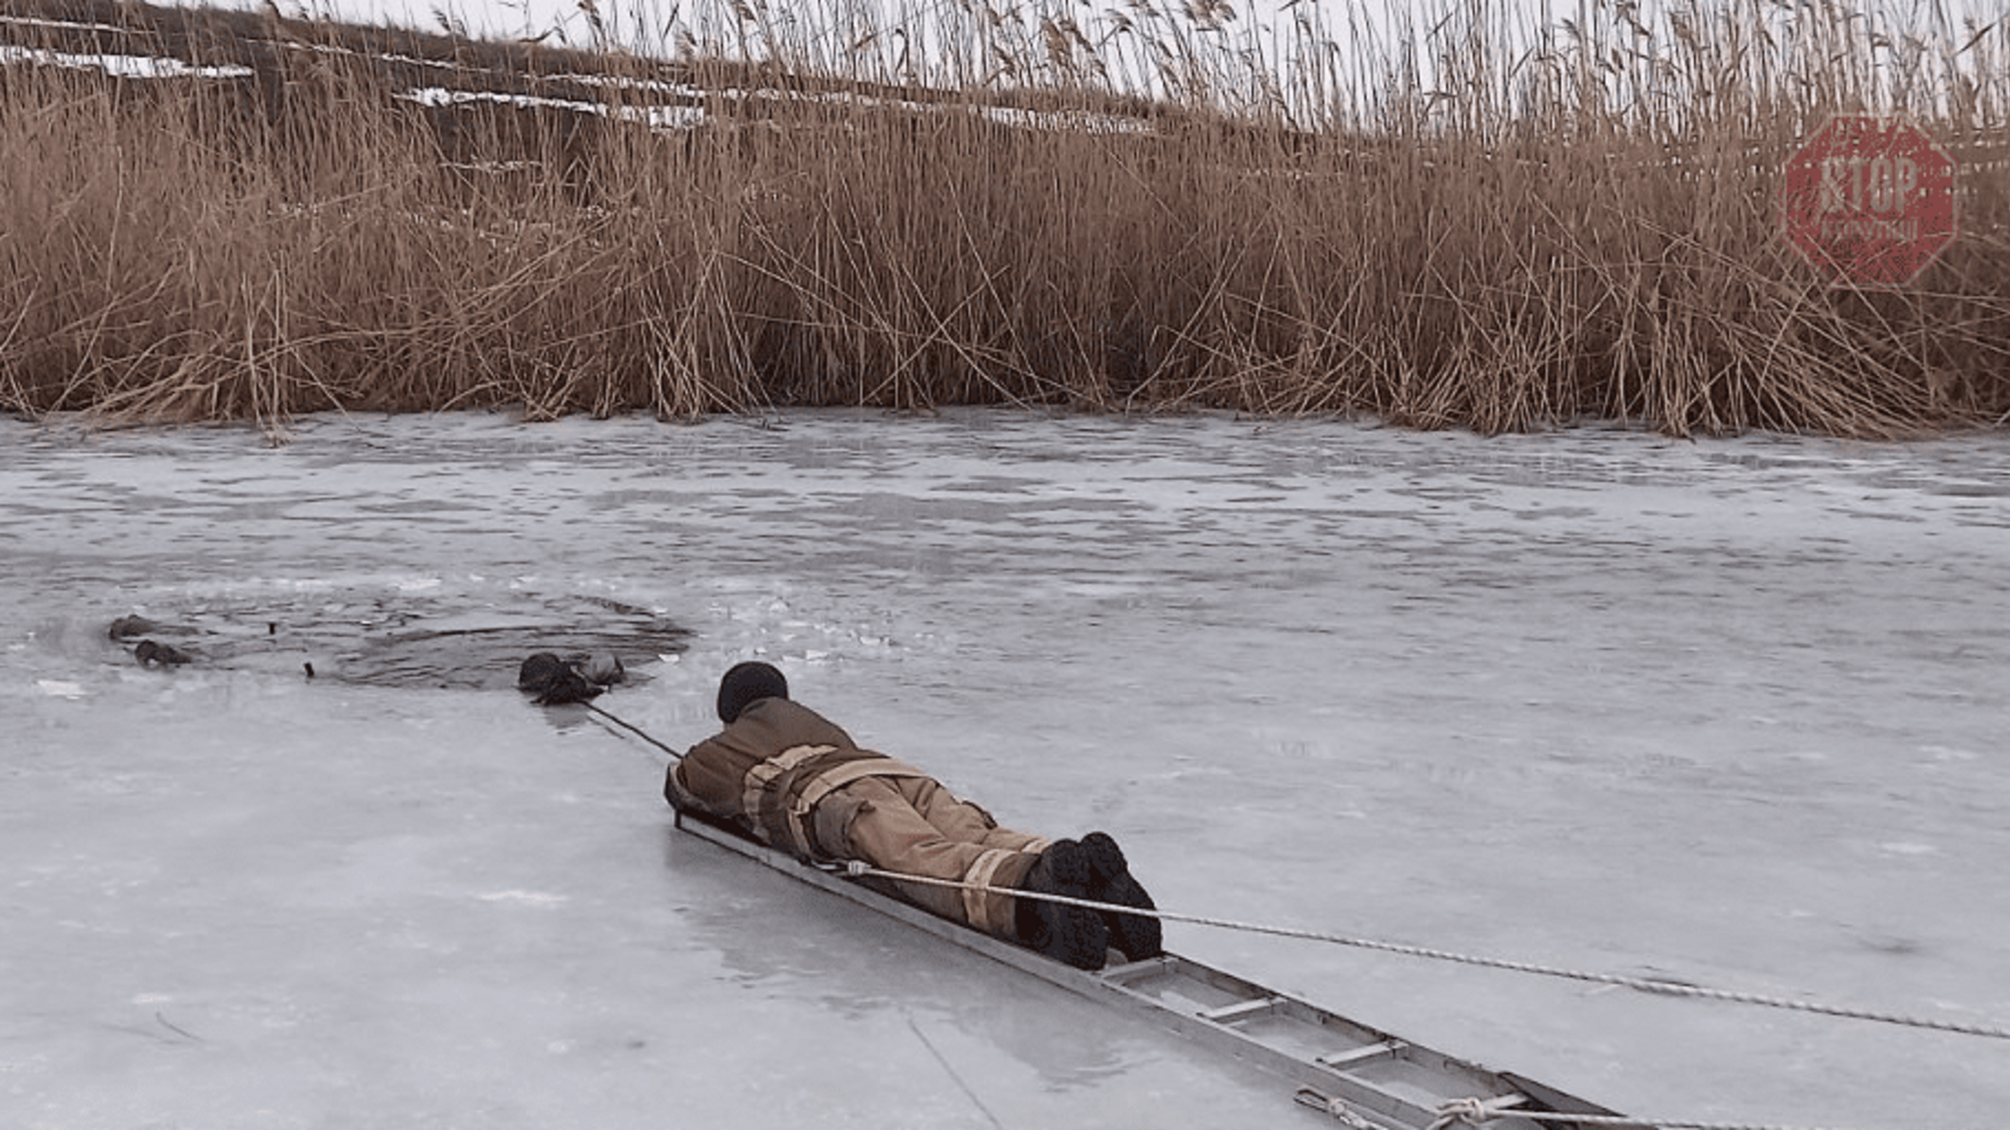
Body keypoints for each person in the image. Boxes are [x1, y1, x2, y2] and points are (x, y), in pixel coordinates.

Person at [664, 661, 1161, 972]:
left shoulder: (717, 749)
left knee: (922, 856)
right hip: (896, 773)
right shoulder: (813, 720)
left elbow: (680, 789)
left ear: (729, 711)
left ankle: (1032, 890)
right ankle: (1072, 866)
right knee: (975, 831)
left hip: (830, 797)